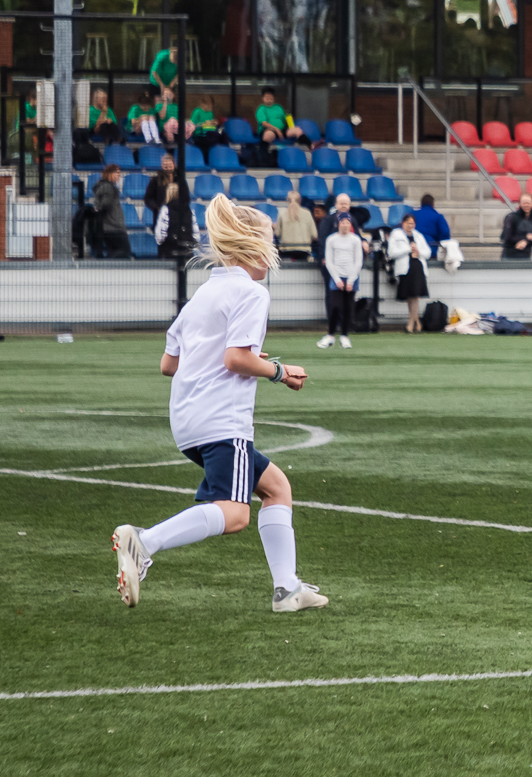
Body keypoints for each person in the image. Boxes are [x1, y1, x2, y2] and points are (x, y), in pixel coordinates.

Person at [108, 194, 325, 613]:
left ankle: (288, 588)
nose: (275, 249)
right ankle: (144, 542)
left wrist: (253, 362)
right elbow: (234, 358)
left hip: (187, 421)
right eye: (270, 240)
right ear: (250, 247)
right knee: (235, 513)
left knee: (276, 488)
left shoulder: (203, 296)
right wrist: (279, 372)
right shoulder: (252, 293)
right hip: (222, 420)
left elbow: (168, 364)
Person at [319, 214, 364, 350]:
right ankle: (331, 334)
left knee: (348, 307)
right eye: (342, 222)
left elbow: (358, 261)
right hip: (336, 276)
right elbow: (329, 261)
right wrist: (337, 279)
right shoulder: (331, 239)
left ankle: (345, 335)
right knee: (335, 306)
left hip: (351, 276)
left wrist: (351, 279)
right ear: (338, 224)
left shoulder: (355, 240)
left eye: (347, 223)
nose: (345, 225)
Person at [386, 212, 431, 333]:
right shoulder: (395, 234)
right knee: (410, 295)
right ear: (403, 223)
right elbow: (391, 253)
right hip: (405, 268)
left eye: (412, 223)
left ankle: (411, 322)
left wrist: (418, 250)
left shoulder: (419, 235)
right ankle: (416, 320)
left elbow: (428, 252)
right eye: (408, 223)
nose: (410, 226)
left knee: (415, 295)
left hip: (418, 266)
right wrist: (408, 249)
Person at [91, 164, 130, 259]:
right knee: (125, 251)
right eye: (117, 173)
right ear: (110, 173)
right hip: (114, 227)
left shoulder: (103, 186)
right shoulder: (108, 187)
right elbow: (105, 204)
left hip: (108, 227)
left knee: (112, 252)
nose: (119, 175)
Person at [153, 182, 197, 258]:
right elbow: (196, 232)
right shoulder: (189, 209)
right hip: (187, 251)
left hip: (169, 250)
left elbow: (160, 232)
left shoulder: (165, 209)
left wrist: (161, 243)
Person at [277, 193, 318, 261]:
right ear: (300, 200)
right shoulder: (307, 213)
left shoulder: (282, 213)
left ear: (287, 200)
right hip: (304, 251)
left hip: (286, 250)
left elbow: (277, 233)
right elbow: (314, 235)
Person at [500, 194, 532, 259]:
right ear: (519, 204)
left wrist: (526, 241)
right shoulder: (511, 217)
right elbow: (507, 237)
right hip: (509, 255)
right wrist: (527, 236)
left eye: (528, 203)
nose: (526, 205)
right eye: (524, 203)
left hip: (526, 255)